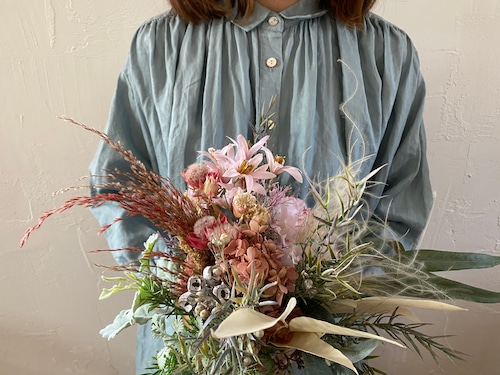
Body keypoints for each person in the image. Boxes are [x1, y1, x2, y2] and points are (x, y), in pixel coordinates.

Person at [89, 0, 433, 373]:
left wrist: (321, 297)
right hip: (190, 352)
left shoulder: (385, 54)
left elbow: (398, 212)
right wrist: (187, 289)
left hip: (319, 360)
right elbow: (120, 188)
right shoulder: (161, 46)